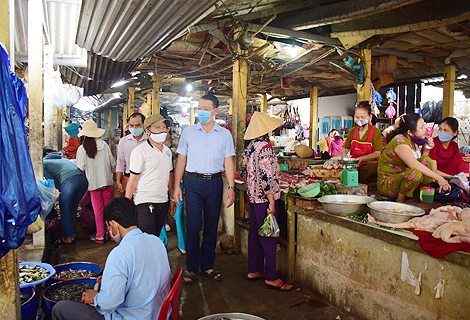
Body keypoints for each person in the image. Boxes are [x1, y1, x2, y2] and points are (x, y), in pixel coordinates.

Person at [51, 197, 171, 320]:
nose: (109, 230)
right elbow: (144, 276)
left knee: (60, 308)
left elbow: (108, 305)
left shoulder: (119, 254)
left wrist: (95, 298)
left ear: (113, 225)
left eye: (108, 226)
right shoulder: (156, 241)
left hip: (133, 317)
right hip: (158, 313)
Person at [173, 93, 235, 283]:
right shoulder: (188, 133)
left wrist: (231, 187)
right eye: (199, 107)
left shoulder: (225, 134)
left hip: (215, 183)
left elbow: (229, 162)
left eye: (205, 109)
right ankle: (191, 268)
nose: (201, 111)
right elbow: (181, 159)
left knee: (211, 226)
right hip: (193, 182)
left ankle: (208, 266)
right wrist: (176, 186)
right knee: (193, 226)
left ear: (215, 111)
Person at [241, 112, 293, 291]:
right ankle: (271, 276)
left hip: (253, 198)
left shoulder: (249, 147)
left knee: (255, 233)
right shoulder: (265, 148)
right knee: (269, 236)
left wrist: (252, 191)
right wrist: (271, 200)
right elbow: (267, 177)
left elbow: (244, 173)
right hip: (264, 199)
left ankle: (254, 270)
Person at [378, 113, 451, 203]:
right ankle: (400, 200)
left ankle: (424, 194)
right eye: (421, 127)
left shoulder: (413, 141)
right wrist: (439, 178)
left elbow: (422, 163)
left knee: (426, 161)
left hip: (404, 178)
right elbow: (413, 164)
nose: (425, 130)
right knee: (416, 173)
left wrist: (427, 150)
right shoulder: (400, 141)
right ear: (410, 132)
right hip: (388, 184)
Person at [125, 114, 175, 238]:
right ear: (148, 131)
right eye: (158, 128)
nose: (163, 130)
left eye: (164, 127)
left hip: (162, 200)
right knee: (146, 236)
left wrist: (172, 198)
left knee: (156, 236)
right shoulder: (140, 151)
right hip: (144, 200)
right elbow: (133, 179)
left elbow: (169, 176)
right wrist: (126, 202)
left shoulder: (167, 152)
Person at [76, 120, 116, 244]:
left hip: (93, 184)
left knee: (98, 210)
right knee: (109, 209)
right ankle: (111, 233)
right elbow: (112, 163)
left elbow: (80, 167)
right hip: (107, 182)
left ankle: (100, 235)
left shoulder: (82, 149)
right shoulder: (104, 145)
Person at [43, 148, 88, 244]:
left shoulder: (44, 163)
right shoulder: (61, 159)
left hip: (69, 181)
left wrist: (56, 195)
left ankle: (67, 238)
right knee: (72, 208)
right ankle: (72, 235)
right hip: (83, 180)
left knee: (65, 209)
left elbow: (51, 182)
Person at [341, 101, 383, 183]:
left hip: (369, 165)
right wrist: (344, 156)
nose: (359, 120)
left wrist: (360, 159)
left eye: (363, 117)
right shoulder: (352, 131)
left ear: (370, 117)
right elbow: (345, 148)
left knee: (370, 168)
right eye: (357, 117)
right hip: (354, 164)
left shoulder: (376, 132)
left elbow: (377, 153)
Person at [161, 117, 186, 254]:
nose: (163, 130)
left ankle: (182, 244)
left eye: (165, 127)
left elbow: (183, 161)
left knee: (178, 213)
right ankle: (162, 244)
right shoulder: (154, 143)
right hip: (159, 184)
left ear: (170, 127)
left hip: (177, 183)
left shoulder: (179, 141)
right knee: (159, 213)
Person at [115, 113, 148, 194]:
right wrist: (118, 181)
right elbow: (120, 162)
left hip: (146, 179)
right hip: (128, 178)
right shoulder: (124, 141)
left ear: (143, 125)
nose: (134, 128)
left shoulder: (149, 141)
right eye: (132, 125)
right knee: (129, 204)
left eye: (137, 125)